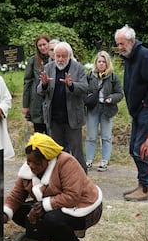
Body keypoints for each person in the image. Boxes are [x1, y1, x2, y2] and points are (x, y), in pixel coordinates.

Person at [3, 133, 102, 241]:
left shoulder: (67, 163)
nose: (32, 166)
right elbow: (16, 195)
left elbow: (72, 196)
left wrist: (42, 206)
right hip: (56, 205)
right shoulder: (29, 169)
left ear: (48, 160)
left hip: (84, 207)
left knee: (52, 219)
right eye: (28, 162)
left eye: (37, 163)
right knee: (19, 212)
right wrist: (5, 212)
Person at [114, 25, 148, 201]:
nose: (119, 48)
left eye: (121, 44)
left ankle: (145, 188)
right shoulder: (130, 56)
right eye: (117, 44)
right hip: (138, 110)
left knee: (139, 149)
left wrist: (146, 102)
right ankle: (143, 184)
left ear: (131, 41)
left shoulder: (144, 55)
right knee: (133, 149)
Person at [37, 41, 88, 173]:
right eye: (57, 56)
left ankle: (82, 178)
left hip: (72, 117)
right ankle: (58, 177)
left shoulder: (78, 68)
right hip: (54, 117)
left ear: (69, 56)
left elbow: (85, 87)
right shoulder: (48, 68)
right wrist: (43, 85)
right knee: (56, 151)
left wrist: (71, 85)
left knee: (77, 151)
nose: (60, 59)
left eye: (63, 56)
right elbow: (39, 91)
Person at [85, 50, 123, 172]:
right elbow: (83, 90)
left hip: (107, 109)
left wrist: (112, 98)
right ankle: (89, 160)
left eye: (104, 62)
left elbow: (120, 94)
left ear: (107, 63)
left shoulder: (113, 77)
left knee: (106, 136)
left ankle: (104, 161)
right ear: (96, 63)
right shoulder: (90, 76)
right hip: (93, 108)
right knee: (91, 136)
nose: (101, 64)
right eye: (99, 61)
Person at [23, 34, 50, 133]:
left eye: (44, 44)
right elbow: (27, 83)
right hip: (37, 101)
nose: (42, 47)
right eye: (40, 45)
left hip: (50, 99)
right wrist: (25, 105)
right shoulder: (33, 61)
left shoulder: (55, 59)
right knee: (38, 133)